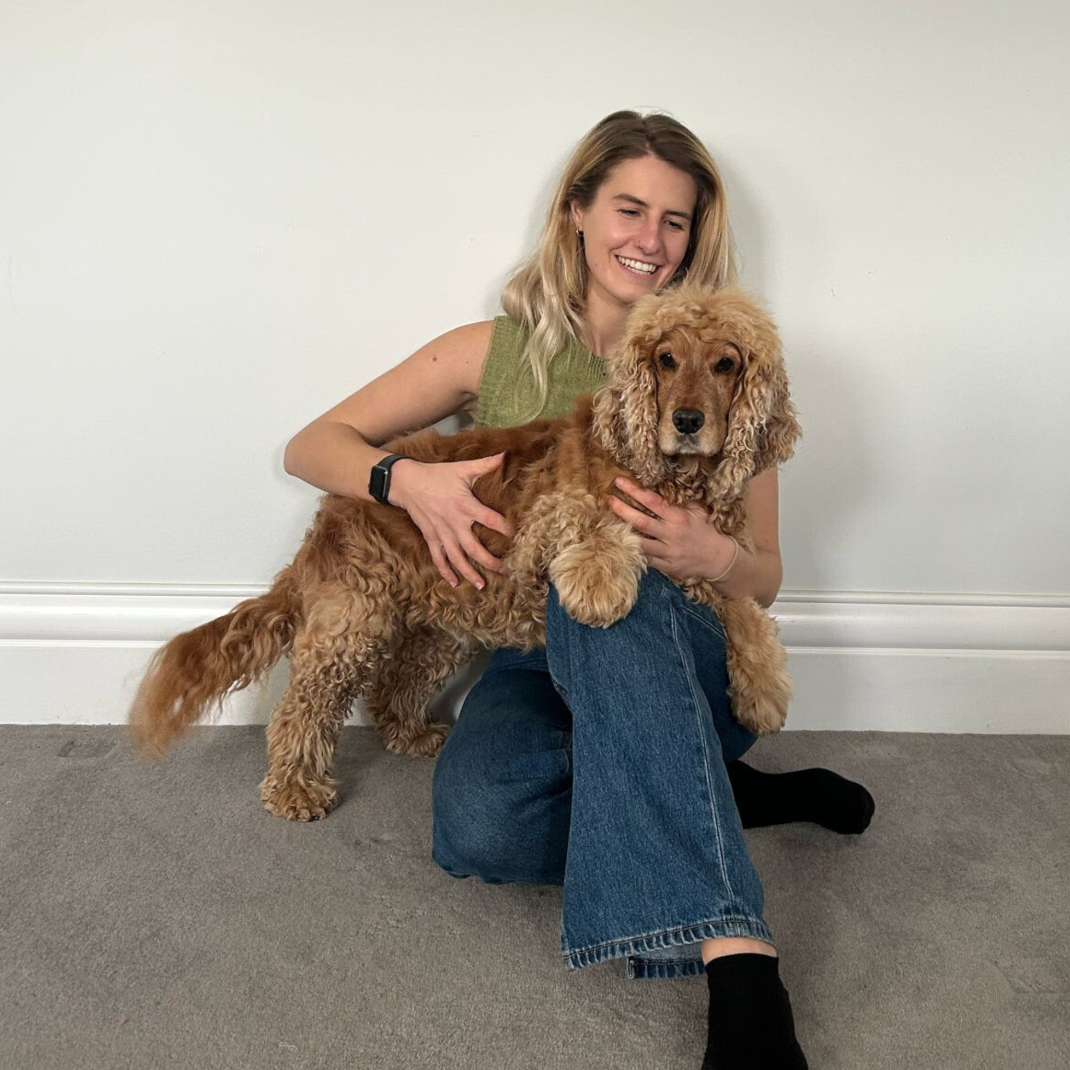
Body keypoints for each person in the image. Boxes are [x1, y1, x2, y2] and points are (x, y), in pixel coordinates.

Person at [283, 110, 874, 1070]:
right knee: (479, 829)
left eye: (674, 221)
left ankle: (739, 960)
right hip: (535, 660)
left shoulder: (727, 353)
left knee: (602, 578)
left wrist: (706, 554)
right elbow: (313, 447)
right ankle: (710, 794)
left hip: (683, 652)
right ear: (576, 214)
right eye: (630, 209)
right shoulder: (491, 351)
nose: (649, 239)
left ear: (694, 239)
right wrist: (410, 480)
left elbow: (764, 573)